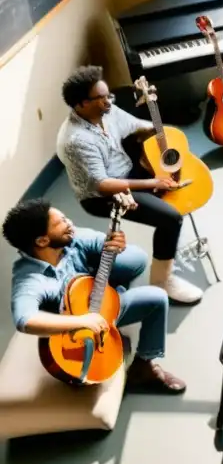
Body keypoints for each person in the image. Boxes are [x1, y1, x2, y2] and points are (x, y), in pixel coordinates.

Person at [3, 198, 186, 393]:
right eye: (61, 223)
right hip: (77, 335)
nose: (70, 223)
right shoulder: (31, 278)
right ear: (42, 241)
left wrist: (115, 246)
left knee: (139, 267)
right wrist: (83, 321)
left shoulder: (71, 239)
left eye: (65, 217)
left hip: (100, 302)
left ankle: (142, 365)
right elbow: (25, 320)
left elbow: (109, 247)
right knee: (156, 298)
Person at [55, 65, 203, 304]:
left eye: (108, 95)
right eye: (100, 98)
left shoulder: (107, 110)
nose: (108, 102)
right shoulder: (76, 140)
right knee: (171, 218)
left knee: (156, 150)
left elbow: (136, 125)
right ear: (81, 104)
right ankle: (162, 282)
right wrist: (153, 182)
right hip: (102, 194)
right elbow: (102, 184)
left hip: (123, 166)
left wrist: (160, 131)